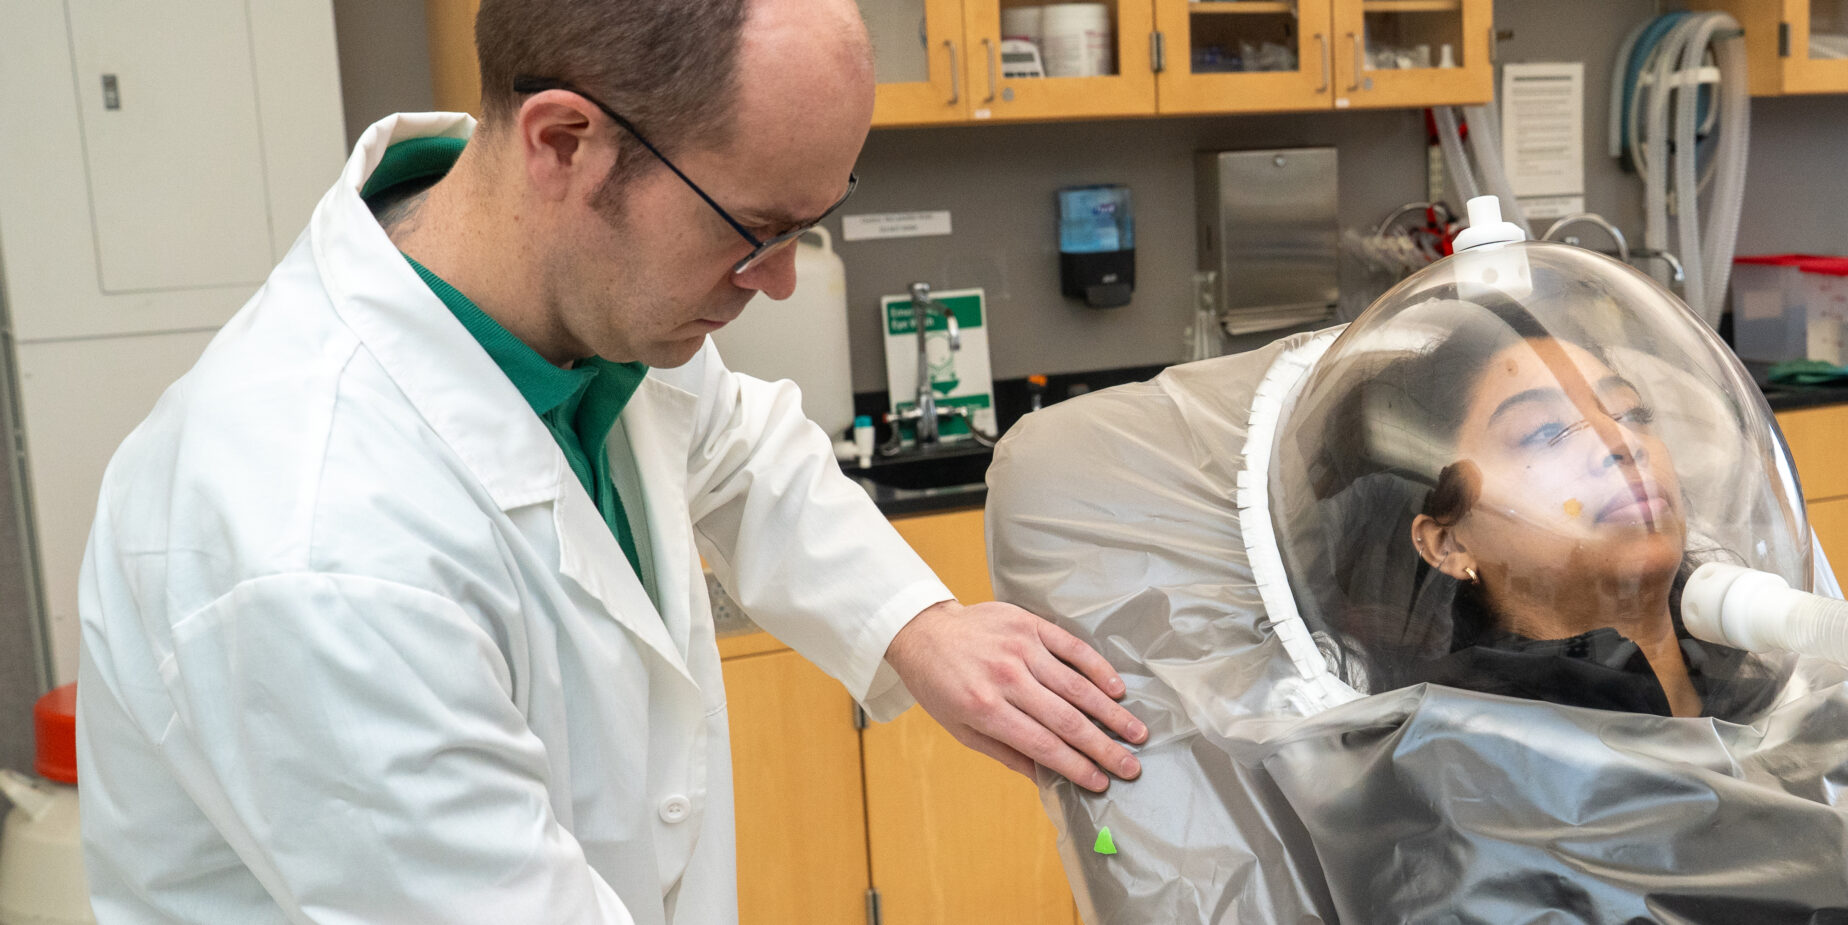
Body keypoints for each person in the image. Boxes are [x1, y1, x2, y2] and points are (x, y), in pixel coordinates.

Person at [74, 1, 1141, 922]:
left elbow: (734, 445)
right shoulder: (318, 544)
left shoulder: (578, 307)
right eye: (754, 228)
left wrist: (922, 627)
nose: (777, 282)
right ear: (562, 143)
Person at [1296, 302, 1785, 720]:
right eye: (1546, 432)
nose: (1621, 443)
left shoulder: (1775, 700)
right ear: (1448, 543)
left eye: (1628, 413)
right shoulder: (1477, 757)